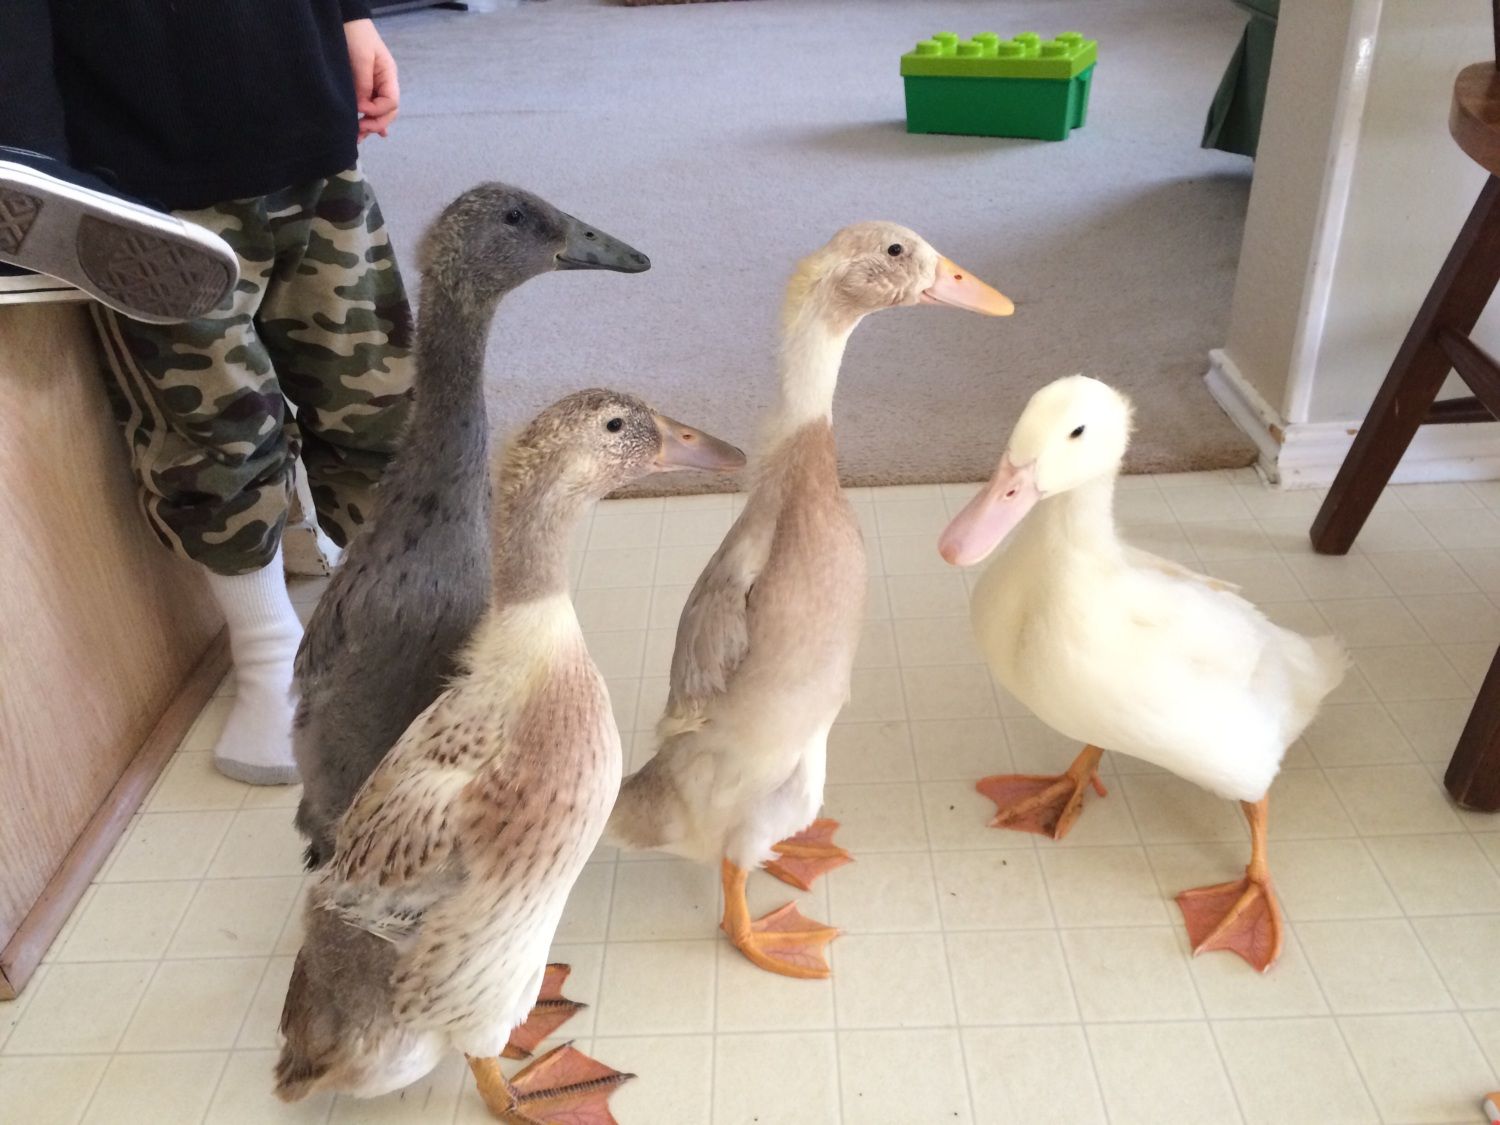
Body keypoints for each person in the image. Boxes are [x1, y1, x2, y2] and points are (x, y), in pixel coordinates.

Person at [0, 0, 415, 785]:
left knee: (375, 396)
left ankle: (396, 615)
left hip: (308, 122)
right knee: (216, 433)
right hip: (146, 178)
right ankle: (268, 649)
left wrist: (351, 18)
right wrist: (29, 164)